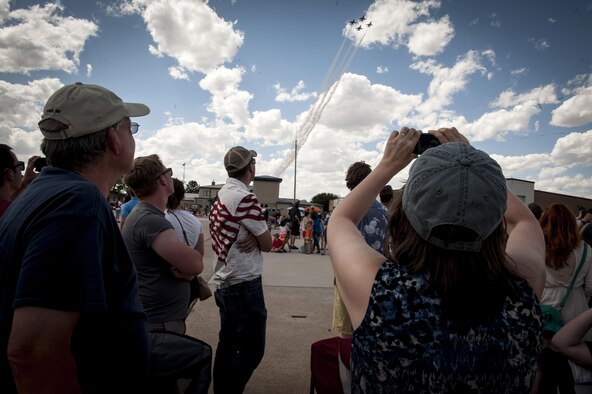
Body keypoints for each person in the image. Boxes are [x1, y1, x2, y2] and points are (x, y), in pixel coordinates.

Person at [328, 126, 546, 392]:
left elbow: (341, 219)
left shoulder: (380, 291)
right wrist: (474, 165)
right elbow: (525, 220)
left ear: (405, 216)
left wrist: (388, 164)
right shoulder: (522, 291)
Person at [0, 82, 150, 393]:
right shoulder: (76, 203)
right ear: (113, 139)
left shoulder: (43, 191)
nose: (133, 136)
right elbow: (33, 352)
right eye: (129, 127)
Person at [208, 146, 272, 393]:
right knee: (253, 349)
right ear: (250, 168)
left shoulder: (223, 194)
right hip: (244, 283)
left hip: (226, 280)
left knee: (228, 344)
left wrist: (254, 238)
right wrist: (258, 239)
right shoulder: (246, 198)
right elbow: (268, 244)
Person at [332, 161, 389, 337]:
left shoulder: (346, 208)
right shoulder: (383, 210)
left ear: (349, 182)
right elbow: (387, 244)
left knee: (348, 330)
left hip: (350, 273)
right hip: (378, 274)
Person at [539, 203, 592, 389]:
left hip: (544, 308)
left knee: (541, 363)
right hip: (575, 309)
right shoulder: (586, 250)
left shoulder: (538, 248)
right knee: (570, 364)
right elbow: (590, 289)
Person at [0, 144, 39, 216]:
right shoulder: (15, 214)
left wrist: (25, 182)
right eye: (19, 166)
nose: (21, 172)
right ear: (10, 174)